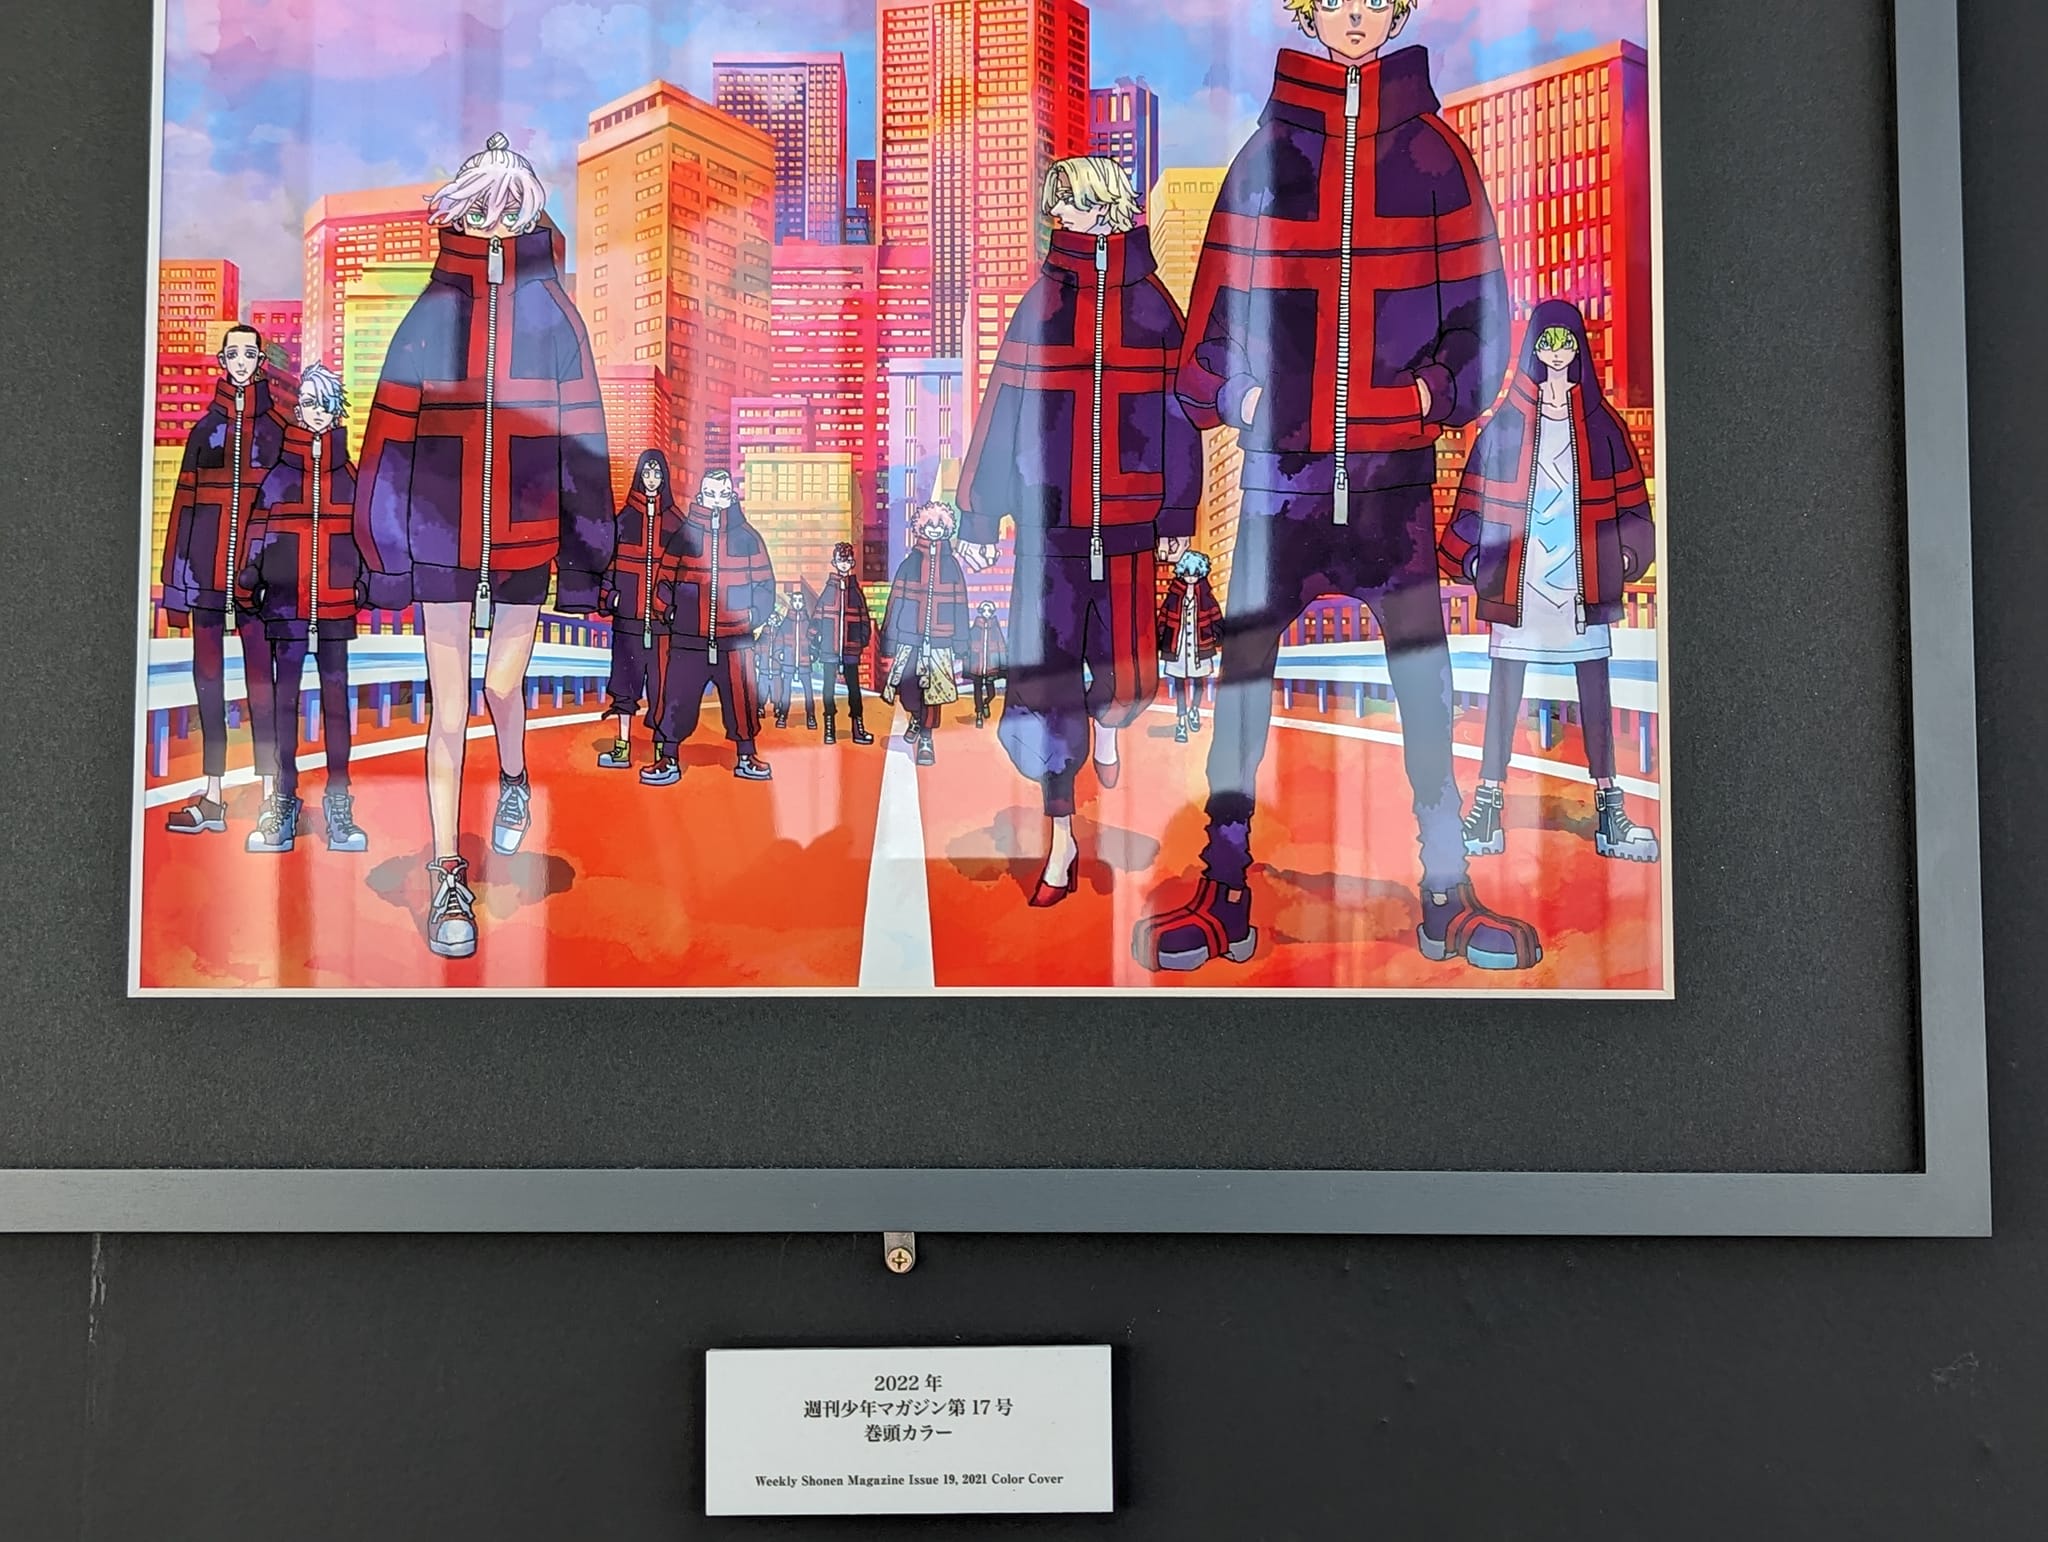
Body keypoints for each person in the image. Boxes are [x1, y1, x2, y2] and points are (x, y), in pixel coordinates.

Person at [1133, 0, 1542, 973]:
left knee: (1425, 692)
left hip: (1396, 485)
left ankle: (1445, 890)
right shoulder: (1264, 155)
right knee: (1241, 685)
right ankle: (1224, 884)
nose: (1354, 15)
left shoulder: (1438, 158)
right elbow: (1207, 339)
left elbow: (1483, 316)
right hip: (1279, 485)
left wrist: (1426, 396)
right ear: (1308, 11)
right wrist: (1247, 398)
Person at [356, 132, 613, 960]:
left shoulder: (555, 315)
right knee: (447, 709)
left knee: (502, 685)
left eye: (510, 211)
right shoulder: (431, 312)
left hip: (528, 537)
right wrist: (384, 552)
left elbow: (585, 444)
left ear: (528, 216)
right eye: (482, 211)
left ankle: (512, 773)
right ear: (462, 214)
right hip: (439, 535)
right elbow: (388, 437)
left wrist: (588, 558)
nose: (495, 225)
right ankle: (447, 872)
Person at [956, 154, 1202, 904]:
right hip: (1049, 534)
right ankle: (1060, 837)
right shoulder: (1039, 303)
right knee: (1046, 682)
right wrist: (980, 511)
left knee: (1126, 674)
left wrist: (1177, 510)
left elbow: (1181, 416)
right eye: (1053, 204)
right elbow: (1002, 408)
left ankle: (1112, 723)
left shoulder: (1155, 307)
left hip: (1130, 533)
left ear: (1104, 207)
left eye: (1067, 202)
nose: (1056, 215)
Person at [1440, 300, 1659, 862]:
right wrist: (1474, 563)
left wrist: (1625, 558)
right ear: (1532, 349)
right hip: (1519, 579)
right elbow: (1471, 504)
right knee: (1504, 692)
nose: (1556, 353)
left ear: (1577, 347)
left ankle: (1610, 807)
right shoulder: (1505, 425)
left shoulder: (1603, 425)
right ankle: (1488, 805)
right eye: (1546, 342)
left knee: (1595, 691)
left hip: (1583, 583)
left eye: (1565, 342)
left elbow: (1633, 505)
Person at [159, 322, 289, 836]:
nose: (240, 362)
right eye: (232, 354)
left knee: (263, 685)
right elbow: (182, 510)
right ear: (222, 360)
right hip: (206, 580)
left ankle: (270, 793)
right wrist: (177, 587)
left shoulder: (276, 432)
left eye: (248, 354)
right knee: (208, 683)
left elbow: (284, 514)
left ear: (259, 362)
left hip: (260, 587)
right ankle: (212, 793)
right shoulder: (203, 431)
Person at [235, 363, 369, 854]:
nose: (313, 412)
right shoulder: (279, 477)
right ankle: (283, 800)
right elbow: (255, 534)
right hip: (285, 610)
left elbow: (367, 540)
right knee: (283, 707)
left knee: (336, 708)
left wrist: (359, 587)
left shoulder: (351, 477)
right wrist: (248, 581)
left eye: (322, 403)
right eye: (306, 403)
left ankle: (339, 804)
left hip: (335, 612)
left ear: (335, 411)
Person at [645, 470, 776, 784]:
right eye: (711, 494)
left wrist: (751, 617)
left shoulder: (749, 538)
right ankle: (669, 757)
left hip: (736, 640)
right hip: (688, 639)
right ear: (701, 497)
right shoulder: (683, 537)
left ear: (732, 497)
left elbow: (765, 585)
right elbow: (663, 582)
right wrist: (670, 614)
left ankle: (746, 754)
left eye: (723, 494)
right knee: (677, 698)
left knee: (742, 700)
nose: (717, 501)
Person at [597, 449, 682, 770]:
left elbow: (686, 572)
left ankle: (662, 749)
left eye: (657, 474)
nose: (651, 480)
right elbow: (607, 565)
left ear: (664, 478)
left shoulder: (676, 523)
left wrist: (676, 609)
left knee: (664, 687)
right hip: (627, 621)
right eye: (647, 473)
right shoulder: (624, 520)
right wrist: (612, 599)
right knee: (624, 684)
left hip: (663, 624)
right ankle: (622, 746)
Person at [881, 501, 971, 769]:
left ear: (946, 529)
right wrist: (890, 637)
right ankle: (916, 718)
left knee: (934, 691)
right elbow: (895, 600)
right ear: (920, 527)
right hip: (910, 636)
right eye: (929, 525)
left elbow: (960, 605)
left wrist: (961, 641)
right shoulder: (909, 563)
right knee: (908, 687)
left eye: (939, 525)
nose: (934, 529)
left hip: (941, 638)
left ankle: (926, 738)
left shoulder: (952, 566)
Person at [809, 542, 875, 746]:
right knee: (828, 689)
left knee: (854, 689)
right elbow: (818, 616)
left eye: (847, 560)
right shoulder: (829, 590)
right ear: (834, 562)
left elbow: (864, 618)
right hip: (829, 649)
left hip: (850, 650)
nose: (844, 564)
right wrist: (814, 639)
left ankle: (858, 727)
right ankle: (829, 728)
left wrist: (862, 640)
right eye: (840, 560)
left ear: (852, 563)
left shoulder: (856, 591)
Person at [1158, 548, 1224, 743]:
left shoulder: (1206, 596)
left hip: (1200, 645)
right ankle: (1181, 721)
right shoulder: (1173, 595)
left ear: (1201, 573)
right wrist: (1160, 641)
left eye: (1195, 574)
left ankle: (1194, 709)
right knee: (1179, 685)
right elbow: (1163, 619)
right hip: (1177, 647)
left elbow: (1216, 618)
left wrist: (1218, 638)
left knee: (1199, 682)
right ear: (1182, 572)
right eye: (1187, 573)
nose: (1191, 578)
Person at [966, 601, 1007, 728]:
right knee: (977, 690)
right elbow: (969, 644)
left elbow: (1001, 645)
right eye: (984, 610)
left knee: (991, 693)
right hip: (977, 665)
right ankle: (979, 714)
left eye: (989, 610)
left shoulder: (995, 627)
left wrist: (1002, 663)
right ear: (980, 611)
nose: (986, 613)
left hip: (990, 665)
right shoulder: (975, 627)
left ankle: (986, 703)